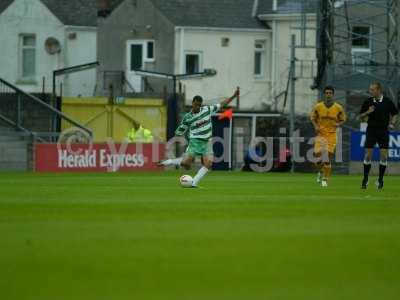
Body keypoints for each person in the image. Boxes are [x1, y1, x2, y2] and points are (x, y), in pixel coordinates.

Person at [159, 88, 240, 187]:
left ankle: (194, 183)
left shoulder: (207, 110)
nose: (197, 107)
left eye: (199, 105)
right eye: (196, 104)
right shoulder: (187, 117)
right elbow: (179, 131)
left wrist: (233, 96)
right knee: (186, 163)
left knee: (208, 163)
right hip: (195, 141)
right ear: (192, 103)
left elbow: (222, 104)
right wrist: (175, 137)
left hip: (207, 141)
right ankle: (169, 161)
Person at [359, 81, 398, 189]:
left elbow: (395, 114)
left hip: (383, 131)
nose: (371, 91)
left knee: (384, 156)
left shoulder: (387, 101)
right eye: (370, 89)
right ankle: (365, 178)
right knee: (368, 155)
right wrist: (367, 112)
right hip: (371, 130)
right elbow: (360, 117)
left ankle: (380, 180)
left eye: (372, 89)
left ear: (378, 90)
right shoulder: (368, 101)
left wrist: (392, 123)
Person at [310, 86, 346, 187]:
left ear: (333, 95)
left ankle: (325, 179)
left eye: (330, 93)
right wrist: (316, 126)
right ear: (324, 94)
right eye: (327, 93)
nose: (328, 95)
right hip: (320, 134)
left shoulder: (338, 108)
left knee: (327, 158)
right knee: (318, 157)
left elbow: (343, 119)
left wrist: (338, 124)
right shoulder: (318, 106)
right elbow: (312, 118)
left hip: (331, 135)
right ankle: (320, 172)